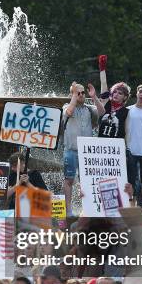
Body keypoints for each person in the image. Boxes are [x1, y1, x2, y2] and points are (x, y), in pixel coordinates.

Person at [62, 82, 98, 216]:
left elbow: (102, 112)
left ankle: (86, 210)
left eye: (82, 92)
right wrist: (74, 96)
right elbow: (69, 112)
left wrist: (94, 97)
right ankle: (68, 211)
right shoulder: (66, 106)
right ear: (72, 95)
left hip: (87, 152)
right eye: (78, 93)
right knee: (69, 180)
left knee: (87, 181)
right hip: (71, 149)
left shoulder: (90, 108)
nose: (81, 95)